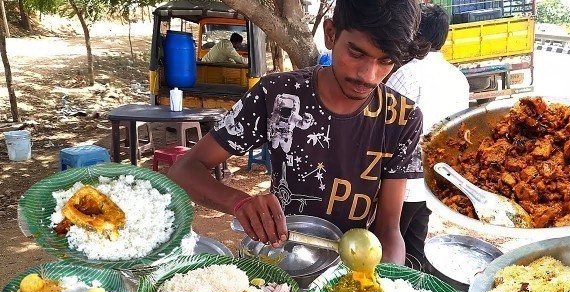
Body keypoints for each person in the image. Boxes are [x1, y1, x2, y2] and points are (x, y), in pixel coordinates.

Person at [168, 0, 429, 265]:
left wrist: (389, 284)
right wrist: (239, 202)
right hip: (277, 263)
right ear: (330, 34)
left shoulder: (403, 117)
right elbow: (184, 170)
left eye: (385, 61)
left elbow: (388, 229)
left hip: (350, 270)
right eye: (357, 53)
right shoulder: (277, 94)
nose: (369, 76)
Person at [385, 4, 470, 267]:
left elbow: (384, 131)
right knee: (415, 246)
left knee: (387, 245)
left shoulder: (406, 76)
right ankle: (415, 285)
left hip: (400, 186)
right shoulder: (459, 79)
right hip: (434, 182)